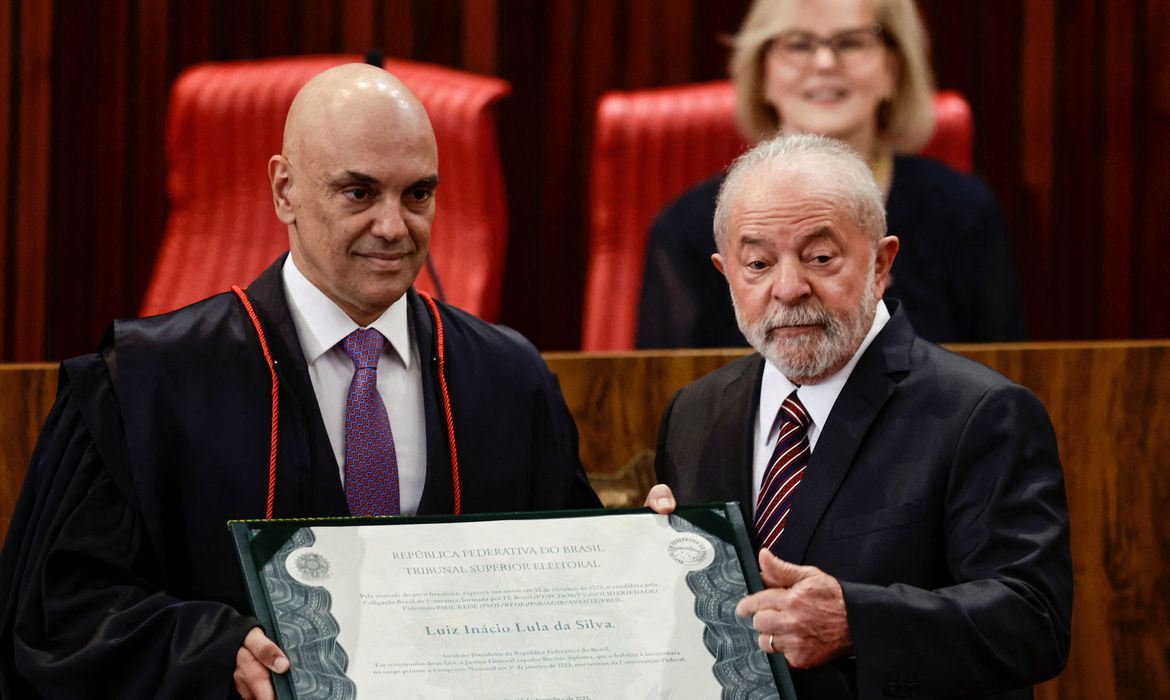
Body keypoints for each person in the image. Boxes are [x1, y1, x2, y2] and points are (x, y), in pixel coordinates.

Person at [0, 64, 600, 700]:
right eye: (359, 193)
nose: (394, 227)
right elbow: (57, 616)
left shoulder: (508, 381)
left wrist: (651, 554)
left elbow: (574, 589)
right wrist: (213, 648)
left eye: (418, 194)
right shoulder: (148, 384)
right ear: (284, 189)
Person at [646, 133, 1070, 699]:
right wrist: (650, 562)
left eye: (821, 258)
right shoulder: (694, 413)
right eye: (758, 263)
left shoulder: (981, 413)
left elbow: (1033, 620)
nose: (790, 288)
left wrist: (856, 623)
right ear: (726, 273)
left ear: (880, 264)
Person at [637, 0, 1028, 348]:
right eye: (798, 44)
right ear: (764, 74)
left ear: (892, 69)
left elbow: (1003, 381)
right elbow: (667, 394)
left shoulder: (963, 213)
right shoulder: (688, 227)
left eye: (851, 42)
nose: (824, 63)